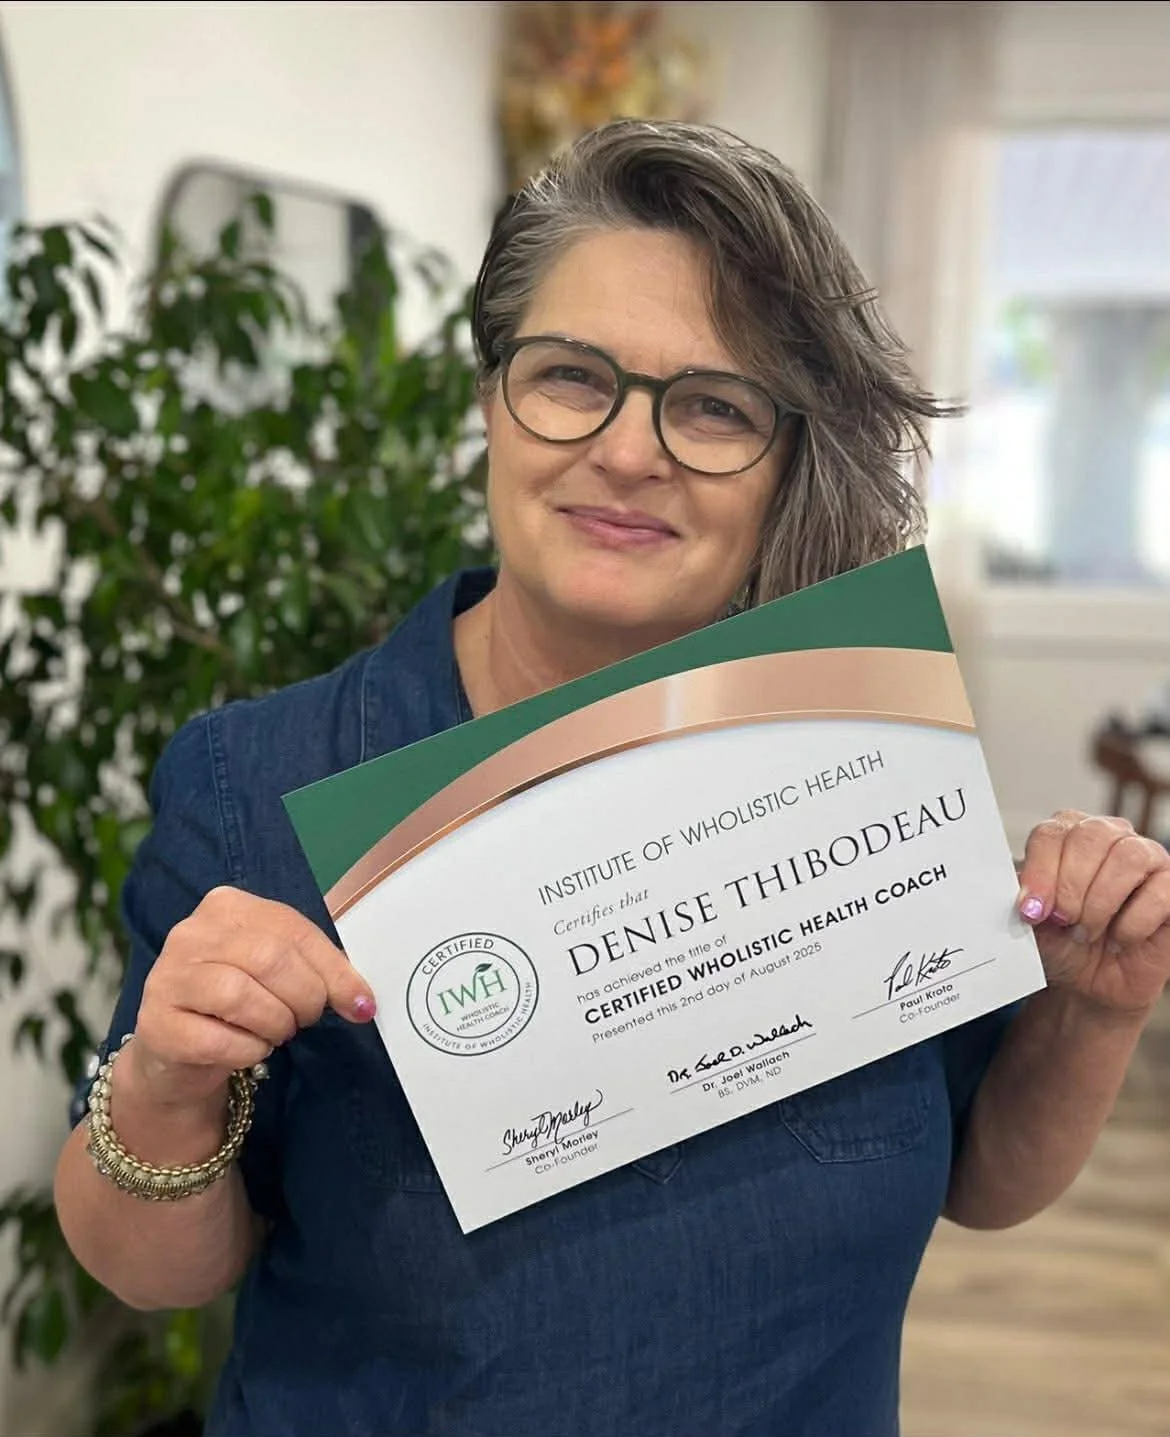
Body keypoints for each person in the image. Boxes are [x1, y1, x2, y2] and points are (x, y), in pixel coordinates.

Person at [55, 120, 1170, 1437]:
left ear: (786, 461)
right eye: (573, 376)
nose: (629, 452)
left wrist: (1091, 1014)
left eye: (713, 405)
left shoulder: (857, 768)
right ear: (491, 400)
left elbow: (978, 1178)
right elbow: (155, 1269)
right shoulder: (263, 784)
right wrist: (166, 1085)